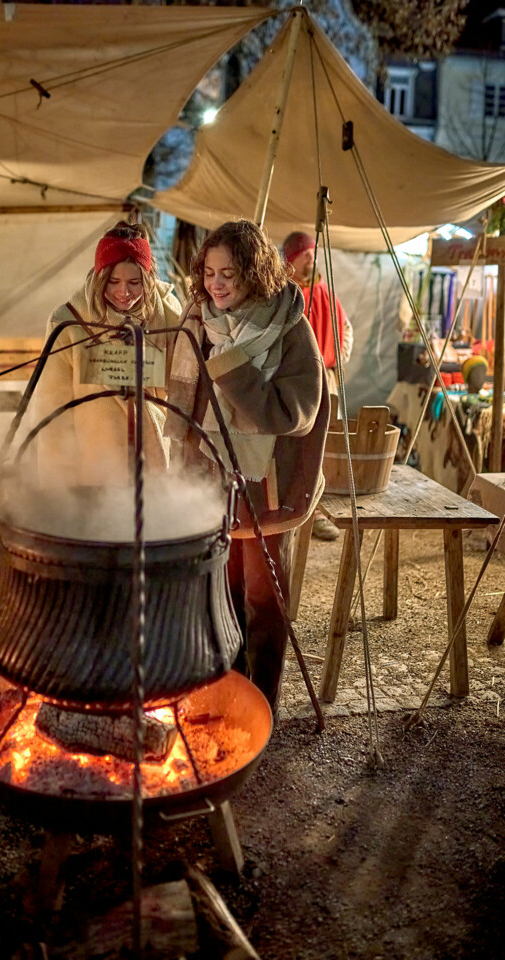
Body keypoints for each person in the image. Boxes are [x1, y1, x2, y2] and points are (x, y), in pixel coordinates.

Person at [165, 219, 329, 714]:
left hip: (265, 487)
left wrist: (233, 371)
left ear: (254, 274)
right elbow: (185, 407)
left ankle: (263, 704)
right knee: (221, 590)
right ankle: (230, 695)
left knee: (263, 598)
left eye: (229, 274)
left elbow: (296, 415)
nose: (216, 284)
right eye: (210, 272)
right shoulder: (198, 321)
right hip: (213, 483)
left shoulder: (289, 329)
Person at [33, 220, 182, 488]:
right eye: (113, 281)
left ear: (148, 279)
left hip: (156, 463)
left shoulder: (169, 314)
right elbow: (51, 410)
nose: (123, 292)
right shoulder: (68, 323)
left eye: (135, 282)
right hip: (94, 469)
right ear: (100, 276)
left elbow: (183, 395)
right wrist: (58, 486)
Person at [282, 230, 355, 542]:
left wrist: (337, 357)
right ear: (291, 259)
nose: (311, 260)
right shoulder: (285, 293)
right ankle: (295, 511)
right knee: (298, 447)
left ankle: (321, 513)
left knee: (323, 447)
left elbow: (345, 327)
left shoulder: (326, 290)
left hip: (326, 378)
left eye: (313, 255)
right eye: (305, 255)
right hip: (297, 380)